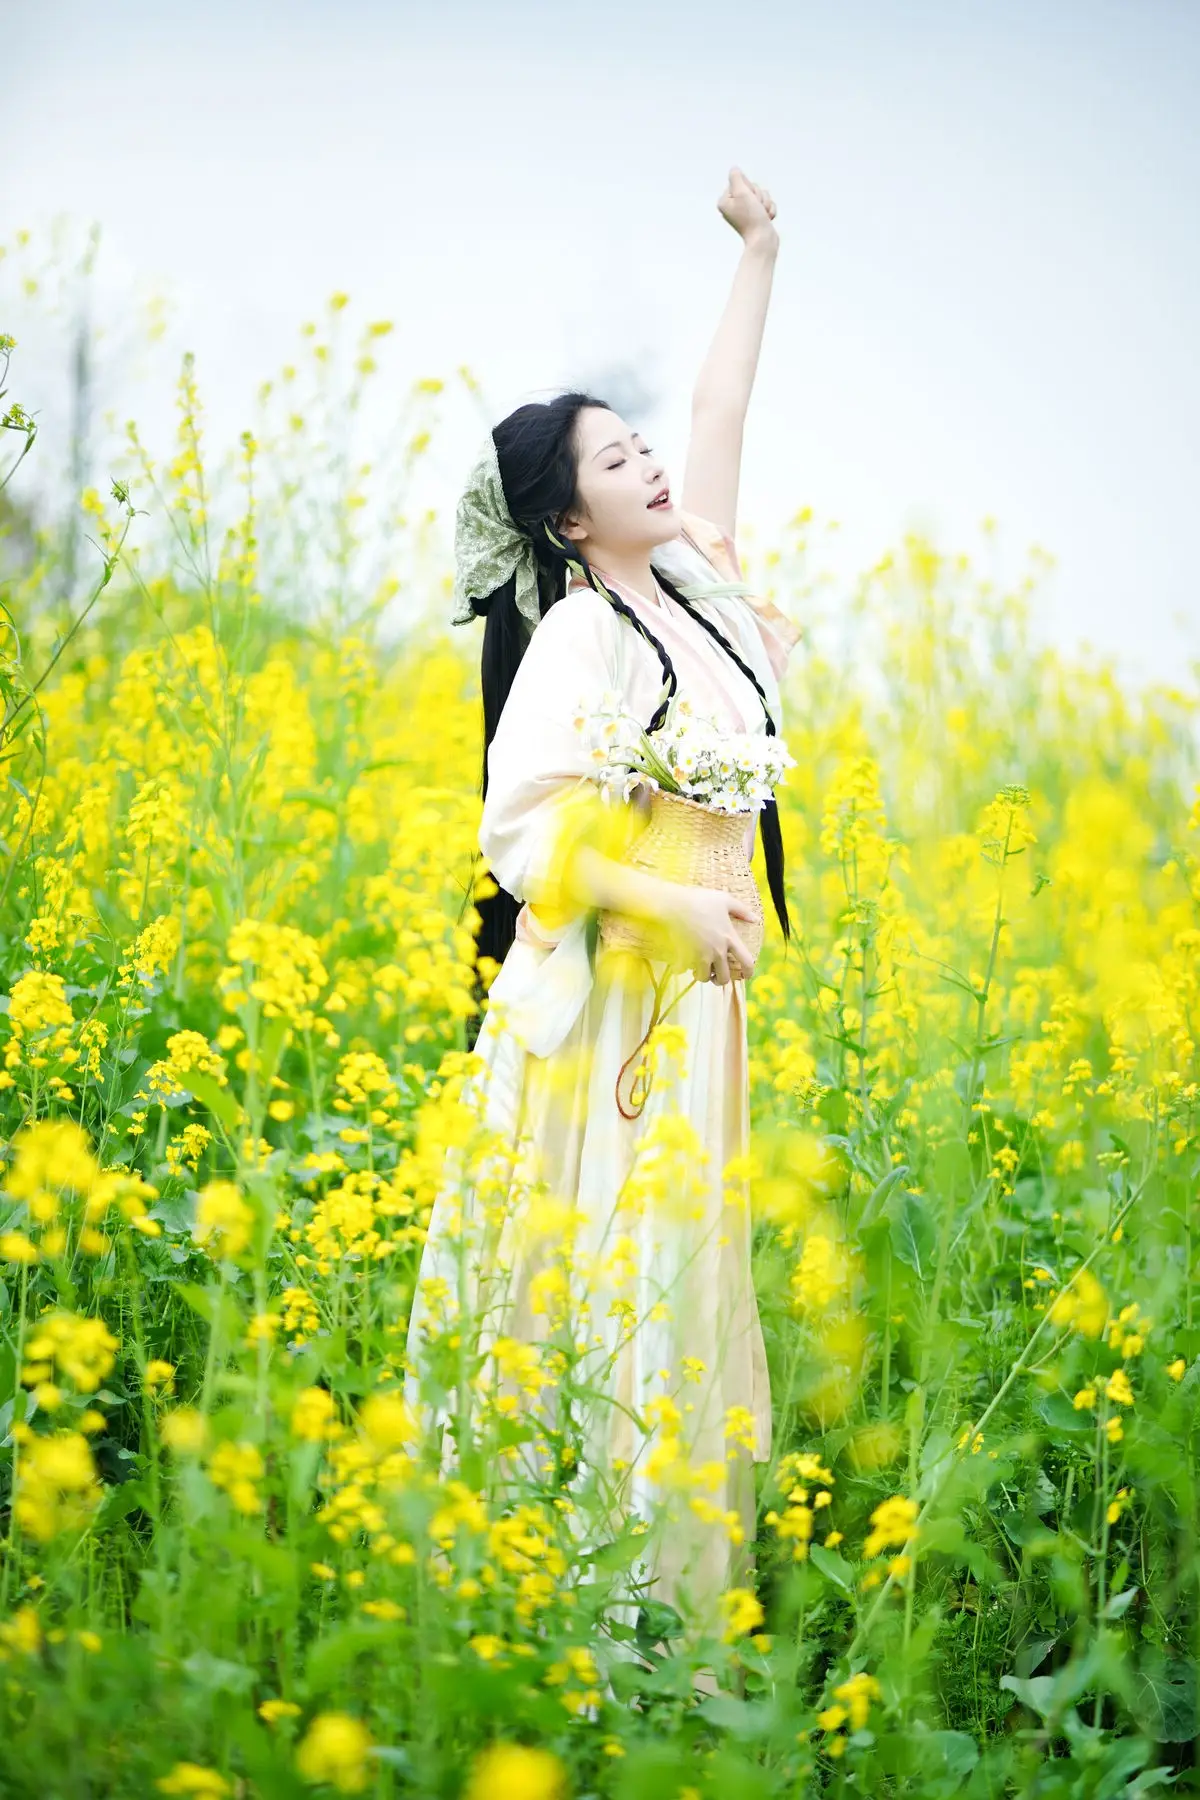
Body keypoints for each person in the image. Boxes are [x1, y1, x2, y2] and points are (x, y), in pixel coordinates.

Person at [404, 169, 802, 1662]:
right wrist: (676, 902)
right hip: (614, 1006)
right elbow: (525, 837)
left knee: (680, 1287)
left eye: (642, 446)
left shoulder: (702, 599)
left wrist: (762, 253)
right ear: (570, 520)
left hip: (696, 1004)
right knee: (608, 1283)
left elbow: (721, 412)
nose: (650, 463)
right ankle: (567, 1620)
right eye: (613, 459)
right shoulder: (583, 631)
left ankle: (671, 1629)